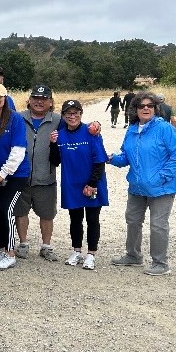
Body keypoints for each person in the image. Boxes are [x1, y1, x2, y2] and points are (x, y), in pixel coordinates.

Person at [108, 91, 176, 276]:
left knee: (158, 225)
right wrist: (111, 158)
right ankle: (133, 255)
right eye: (141, 106)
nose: (145, 109)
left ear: (155, 108)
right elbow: (127, 157)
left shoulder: (164, 128)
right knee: (133, 220)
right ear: (135, 109)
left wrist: (161, 177)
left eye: (150, 106)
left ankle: (160, 263)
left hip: (162, 188)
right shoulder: (132, 129)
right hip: (137, 186)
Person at [51, 100, 109, 271]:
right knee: (75, 219)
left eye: (76, 113)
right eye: (68, 113)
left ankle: (91, 254)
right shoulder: (59, 135)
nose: (72, 116)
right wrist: (52, 144)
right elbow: (55, 161)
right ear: (63, 116)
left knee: (92, 219)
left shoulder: (91, 132)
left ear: (81, 114)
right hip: (72, 183)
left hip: (92, 183)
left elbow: (100, 161)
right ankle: (76, 251)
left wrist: (92, 183)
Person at [0, 83, 30, 270]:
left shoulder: (15, 119)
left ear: (5, 98)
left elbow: (18, 150)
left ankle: (10, 253)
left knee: (5, 210)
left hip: (15, 174)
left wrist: (3, 172)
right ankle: (3, 248)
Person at [15, 85, 60, 262]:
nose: (39, 102)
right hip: (21, 176)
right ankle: (23, 244)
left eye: (44, 99)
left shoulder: (58, 120)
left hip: (46, 177)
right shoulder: (18, 117)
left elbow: (76, 126)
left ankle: (46, 246)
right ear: (29, 100)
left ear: (50, 102)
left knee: (47, 214)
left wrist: (95, 126)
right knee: (20, 212)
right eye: (35, 98)